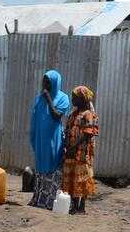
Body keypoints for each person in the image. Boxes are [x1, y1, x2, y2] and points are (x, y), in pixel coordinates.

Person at [29, 70, 70, 210]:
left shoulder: (63, 98)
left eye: (48, 82)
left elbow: (57, 116)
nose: (44, 84)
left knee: (52, 164)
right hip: (41, 139)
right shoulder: (39, 97)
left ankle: (50, 201)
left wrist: (49, 100)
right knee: (40, 166)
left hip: (53, 139)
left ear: (55, 83)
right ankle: (39, 198)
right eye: (44, 81)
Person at [62, 86, 99, 214]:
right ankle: (73, 205)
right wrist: (67, 145)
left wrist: (74, 146)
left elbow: (88, 133)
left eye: (74, 98)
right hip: (71, 153)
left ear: (82, 100)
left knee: (81, 180)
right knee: (71, 179)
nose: (72, 100)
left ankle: (81, 207)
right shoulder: (72, 114)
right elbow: (66, 131)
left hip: (82, 154)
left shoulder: (89, 115)